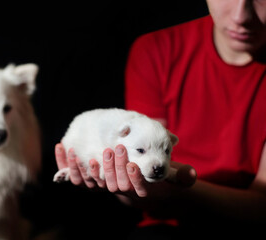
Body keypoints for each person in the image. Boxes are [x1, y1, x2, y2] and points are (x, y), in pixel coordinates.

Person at [55, 0, 266, 238]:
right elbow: (141, 183)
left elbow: (263, 206)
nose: (241, 16)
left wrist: (184, 188)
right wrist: (123, 182)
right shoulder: (157, 49)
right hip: (164, 225)